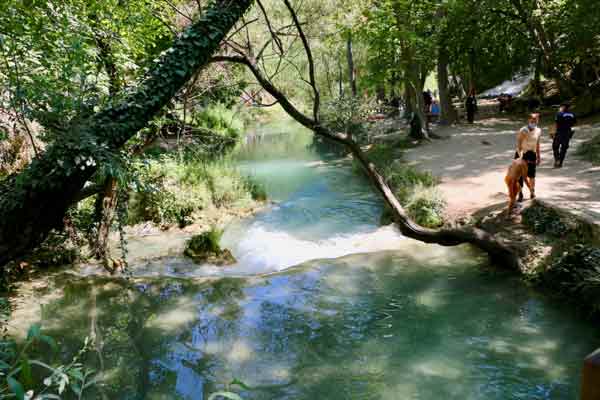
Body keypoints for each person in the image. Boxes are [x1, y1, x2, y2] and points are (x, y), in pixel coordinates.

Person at [515, 113, 542, 201]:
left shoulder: (538, 130)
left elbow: (537, 144)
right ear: (529, 120)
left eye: (535, 120)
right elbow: (519, 144)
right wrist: (520, 156)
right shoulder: (523, 130)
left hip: (532, 154)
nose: (533, 121)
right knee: (519, 176)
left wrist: (538, 156)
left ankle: (532, 192)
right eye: (532, 120)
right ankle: (520, 193)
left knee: (532, 175)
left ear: (538, 120)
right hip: (522, 154)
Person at [552, 103, 576, 168]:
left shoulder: (559, 114)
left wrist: (553, 132)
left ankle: (557, 160)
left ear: (563, 107)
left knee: (555, 147)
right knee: (564, 148)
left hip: (559, 132)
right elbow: (573, 124)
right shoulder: (572, 114)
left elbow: (556, 124)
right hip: (567, 133)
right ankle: (560, 163)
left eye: (561, 107)